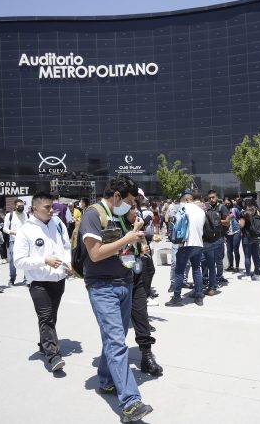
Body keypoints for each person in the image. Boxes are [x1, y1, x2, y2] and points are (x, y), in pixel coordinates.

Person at [79, 175, 153, 422]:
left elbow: (122, 249)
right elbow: (96, 254)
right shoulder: (92, 214)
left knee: (115, 339)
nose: (131, 206)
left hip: (125, 283)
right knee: (116, 342)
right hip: (103, 288)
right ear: (117, 196)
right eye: (129, 201)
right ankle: (131, 402)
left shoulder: (120, 216)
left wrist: (135, 241)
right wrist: (127, 239)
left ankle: (106, 379)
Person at [13, 192, 71, 372]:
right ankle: (53, 356)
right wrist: (43, 260)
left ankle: (44, 343)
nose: (52, 210)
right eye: (47, 207)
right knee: (45, 317)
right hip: (38, 282)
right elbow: (19, 261)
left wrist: (68, 265)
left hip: (58, 279)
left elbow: (66, 246)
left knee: (51, 317)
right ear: (35, 208)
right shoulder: (25, 230)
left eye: (52, 206)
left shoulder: (58, 223)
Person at [121, 204, 163, 376]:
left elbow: (144, 237)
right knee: (117, 325)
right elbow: (123, 256)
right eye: (132, 208)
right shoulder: (116, 226)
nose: (136, 211)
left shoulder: (136, 226)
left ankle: (146, 355)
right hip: (119, 280)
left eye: (136, 208)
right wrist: (134, 240)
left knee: (141, 315)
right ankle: (113, 362)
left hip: (137, 277)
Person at [165, 189, 206, 306]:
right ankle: (199, 297)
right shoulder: (201, 211)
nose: (181, 203)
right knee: (197, 269)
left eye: (182, 200)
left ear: (187, 200)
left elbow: (176, 225)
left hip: (185, 244)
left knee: (179, 271)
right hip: (198, 244)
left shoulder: (183, 209)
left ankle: (176, 297)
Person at [3, 199, 28, 286]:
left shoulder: (26, 214)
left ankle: (26, 279)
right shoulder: (9, 215)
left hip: (25, 241)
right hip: (13, 240)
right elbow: (4, 229)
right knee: (13, 260)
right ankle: (12, 278)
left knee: (26, 259)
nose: (21, 207)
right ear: (15, 206)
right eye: (19, 206)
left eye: (22, 206)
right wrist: (12, 232)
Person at [238, 197, 260, 281]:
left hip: (247, 236)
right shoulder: (258, 211)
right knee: (256, 255)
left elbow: (241, 225)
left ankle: (248, 275)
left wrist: (239, 222)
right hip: (257, 235)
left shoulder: (245, 212)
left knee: (247, 256)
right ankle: (257, 274)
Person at [225, 199, 242, 273]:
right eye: (225, 203)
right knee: (229, 250)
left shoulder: (235, 209)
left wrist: (240, 227)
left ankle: (237, 266)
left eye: (228, 203)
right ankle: (231, 265)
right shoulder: (223, 211)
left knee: (236, 249)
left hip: (236, 231)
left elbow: (240, 217)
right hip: (228, 233)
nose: (227, 204)